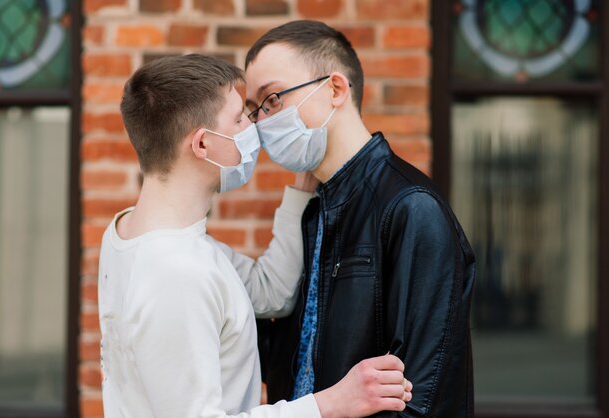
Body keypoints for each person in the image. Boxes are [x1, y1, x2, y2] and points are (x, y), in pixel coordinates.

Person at [97, 54, 413, 418]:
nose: (254, 125)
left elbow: (269, 291)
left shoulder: (129, 234)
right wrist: (329, 403)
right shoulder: (177, 271)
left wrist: (299, 193)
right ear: (202, 145)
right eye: (238, 118)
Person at [244, 20, 476, 417]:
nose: (263, 122)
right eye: (255, 110)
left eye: (273, 100)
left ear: (334, 89)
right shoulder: (316, 208)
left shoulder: (410, 207)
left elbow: (420, 396)